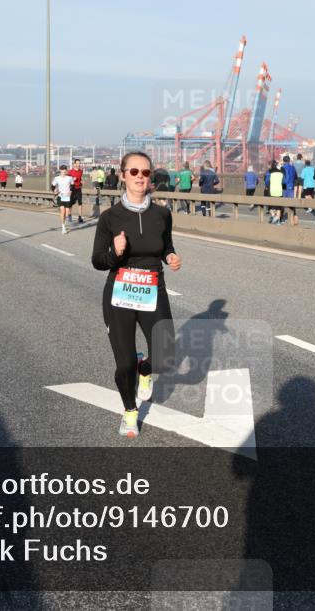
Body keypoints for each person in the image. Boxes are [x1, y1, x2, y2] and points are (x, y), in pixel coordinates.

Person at [91, 151, 181, 438]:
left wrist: (171, 257)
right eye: (134, 172)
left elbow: (166, 245)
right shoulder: (110, 217)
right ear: (122, 175)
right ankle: (130, 411)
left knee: (165, 356)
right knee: (124, 362)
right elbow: (97, 260)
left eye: (145, 172)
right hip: (119, 291)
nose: (140, 177)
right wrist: (115, 252)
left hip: (153, 289)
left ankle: (146, 369)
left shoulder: (162, 214)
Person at [52, 165, 75, 234]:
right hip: (60, 196)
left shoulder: (69, 178)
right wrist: (54, 191)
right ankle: (63, 227)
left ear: (66, 170)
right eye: (62, 170)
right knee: (62, 211)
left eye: (65, 170)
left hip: (67, 197)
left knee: (67, 213)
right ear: (60, 170)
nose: (64, 171)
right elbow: (53, 186)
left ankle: (68, 217)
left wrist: (70, 192)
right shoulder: (57, 178)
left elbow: (72, 186)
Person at [280, 155, 298, 225]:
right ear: (289, 160)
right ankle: (294, 219)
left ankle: (281, 219)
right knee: (292, 204)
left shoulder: (282, 168)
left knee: (282, 204)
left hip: (284, 187)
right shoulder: (293, 167)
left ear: (284, 161)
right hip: (292, 187)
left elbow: (281, 178)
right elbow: (296, 177)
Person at [68, 158, 85, 224]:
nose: (78, 165)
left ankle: (80, 217)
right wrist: (72, 179)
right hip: (72, 189)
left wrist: (81, 181)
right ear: (74, 164)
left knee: (80, 203)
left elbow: (80, 179)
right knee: (71, 203)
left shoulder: (81, 171)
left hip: (78, 188)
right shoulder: (70, 171)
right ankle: (69, 215)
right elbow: (68, 181)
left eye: (79, 163)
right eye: (77, 163)